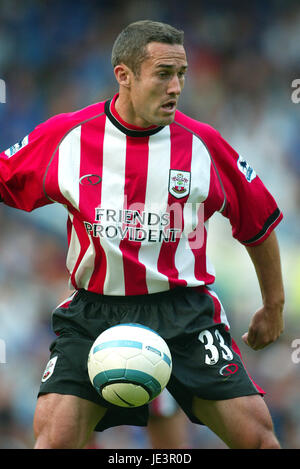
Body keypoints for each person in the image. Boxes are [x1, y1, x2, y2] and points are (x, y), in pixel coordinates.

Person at [0, 20, 284, 449]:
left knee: (260, 438)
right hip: (93, 315)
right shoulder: (68, 137)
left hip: (185, 315)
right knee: (53, 441)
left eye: (182, 74)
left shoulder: (203, 145)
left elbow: (258, 221)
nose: (176, 87)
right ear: (124, 76)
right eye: (164, 73)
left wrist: (274, 305)